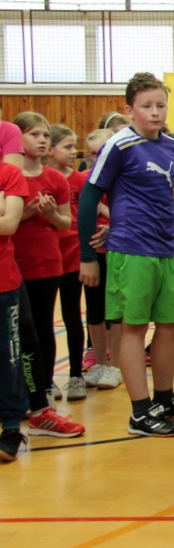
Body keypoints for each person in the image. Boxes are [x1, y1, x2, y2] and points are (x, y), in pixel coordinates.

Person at [79, 72, 174, 437]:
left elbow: (162, 196)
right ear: (129, 110)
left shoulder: (170, 146)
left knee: (169, 325)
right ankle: (139, 412)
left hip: (167, 248)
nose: (155, 112)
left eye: (160, 105)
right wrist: (87, 255)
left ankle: (164, 398)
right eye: (146, 106)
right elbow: (89, 197)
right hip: (132, 250)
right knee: (134, 328)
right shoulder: (119, 145)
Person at [12, 113, 71, 406]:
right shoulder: (10, 176)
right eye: (34, 134)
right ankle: (20, 388)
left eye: (46, 135)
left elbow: (65, 222)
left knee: (43, 326)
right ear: (17, 138)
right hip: (14, 264)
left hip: (47, 263)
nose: (42, 140)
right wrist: (27, 212)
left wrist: (49, 213)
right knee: (18, 331)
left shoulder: (55, 178)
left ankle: (45, 383)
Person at [47, 124, 88, 401]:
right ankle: (46, 379)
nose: (74, 152)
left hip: (73, 254)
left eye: (75, 146)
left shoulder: (79, 181)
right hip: (47, 257)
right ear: (50, 150)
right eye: (68, 147)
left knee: (73, 315)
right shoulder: (41, 178)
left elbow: (88, 214)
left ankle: (76, 375)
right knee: (43, 322)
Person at [79, 128, 122, 391]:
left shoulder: (122, 178)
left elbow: (127, 214)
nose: (97, 159)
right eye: (92, 154)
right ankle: (99, 361)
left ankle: (115, 364)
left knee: (115, 312)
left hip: (117, 251)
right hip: (93, 252)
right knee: (94, 309)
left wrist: (110, 222)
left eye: (101, 152)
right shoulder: (85, 178)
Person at [0, 156, 30, 459]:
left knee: (7, 355)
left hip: (3, 283)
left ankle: (10, 427)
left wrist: (5, 211)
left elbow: (9, 224)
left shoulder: (8, 173)